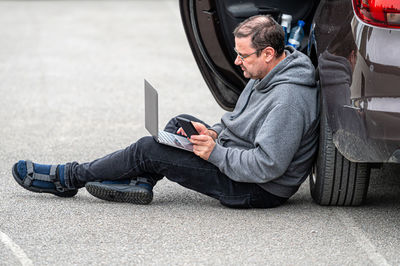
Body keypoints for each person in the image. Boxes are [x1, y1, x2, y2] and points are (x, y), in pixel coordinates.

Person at [12, 15, 319, 209]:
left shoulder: (288, 100)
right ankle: (140, 182)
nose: (237, 62)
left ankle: (68, 178)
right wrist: (214, 133)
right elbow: (238, 124)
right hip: (237, 158)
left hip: (256, 189)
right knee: (179, 125)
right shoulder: (267, 71)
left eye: (243, 56)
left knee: (148, 149)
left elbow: (267, 166)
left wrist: (215, 153)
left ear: (268, 53)